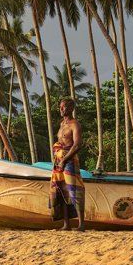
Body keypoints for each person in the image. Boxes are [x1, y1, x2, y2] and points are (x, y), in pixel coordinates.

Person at [50, 98, 85, 231]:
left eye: (63, 107)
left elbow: (77, 144)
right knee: (61, 189)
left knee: (75, 190)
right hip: (58, 161)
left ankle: (81, 224)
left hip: (69, 160)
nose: (61, 109)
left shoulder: (74, 124)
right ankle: (66, 224)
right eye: (60, 107)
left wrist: (65, 159)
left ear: (71, 108)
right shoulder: (61, 124)